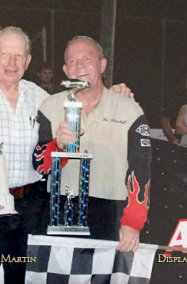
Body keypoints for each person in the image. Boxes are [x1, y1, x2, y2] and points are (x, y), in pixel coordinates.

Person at [0, 27, 133, 284]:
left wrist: (114, 92)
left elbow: (81, 106)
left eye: (19, 55)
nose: (12, 63)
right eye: (5, 54)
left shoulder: (39, 97)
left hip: (31, 208)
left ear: (27, 61)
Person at [32, 36, 152, 252]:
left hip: (111, 212)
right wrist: (57, 146)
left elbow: (141, 169)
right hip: (62, 207)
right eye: (72, 61)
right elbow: (40, 165)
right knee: (60, 283)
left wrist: (133, 222)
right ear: (65, 70)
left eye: (87, 59)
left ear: (102, 65)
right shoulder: (49, 107)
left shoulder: (129, 110)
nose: (79, 67)